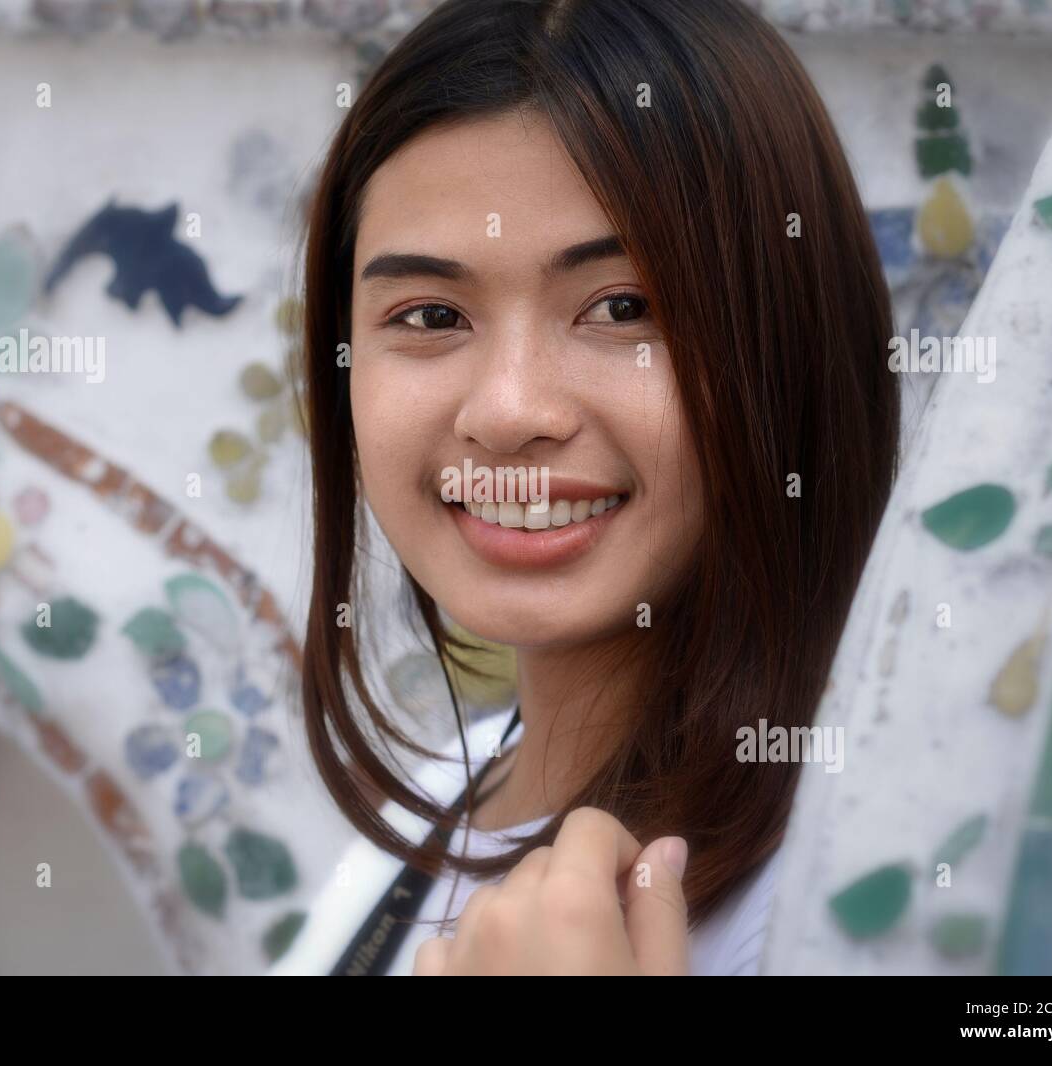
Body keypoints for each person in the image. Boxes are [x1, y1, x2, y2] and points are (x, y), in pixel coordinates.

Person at [291, 0, 900, 976]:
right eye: (431, 313)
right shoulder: (436, 797)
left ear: (789, 342)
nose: (508, 408)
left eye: (623, 307)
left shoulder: (871, 886)